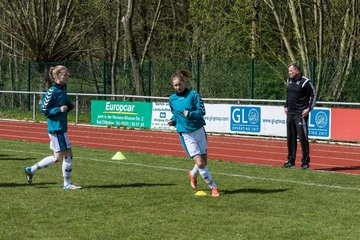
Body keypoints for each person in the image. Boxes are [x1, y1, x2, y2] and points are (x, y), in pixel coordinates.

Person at [24, 65, 82, 190]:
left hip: (60, 127)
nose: (67, 76)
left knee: (57, 158)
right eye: (65, 74)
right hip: (57, 128)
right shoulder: (52, 90)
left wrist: (69, 105)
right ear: (57, 76)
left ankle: (31, 170)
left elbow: (64, 104)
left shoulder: (62, 89)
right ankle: (67, 184)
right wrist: (59, 109)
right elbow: (44, 109)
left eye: (67, 74)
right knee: (68, 156)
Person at [168, 70, 219, 197]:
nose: (178, 87)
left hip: (199, 130)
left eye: (179, 84)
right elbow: (175, 114)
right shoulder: (172, 99)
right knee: (200, 163)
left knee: (203, 162)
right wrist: (173, 121)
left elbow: (202, 111)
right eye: (175, 85)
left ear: (184, 83)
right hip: (186, 134)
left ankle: (193, 174)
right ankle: (213, 187)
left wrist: (191, 114)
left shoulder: (194, 95)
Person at [283, 63, 317, 170]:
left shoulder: (306, 82)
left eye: (291, 71)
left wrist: (309, 109)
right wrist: (286, 105)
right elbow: (288, 94)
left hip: (300, 114)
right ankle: (290, 161)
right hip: (290, 114)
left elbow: (314, 95)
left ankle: (305, 163)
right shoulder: (289, 80)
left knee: (303, 138)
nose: (289, 73)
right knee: (290, 138)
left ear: (297, 71)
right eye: (289, 71)